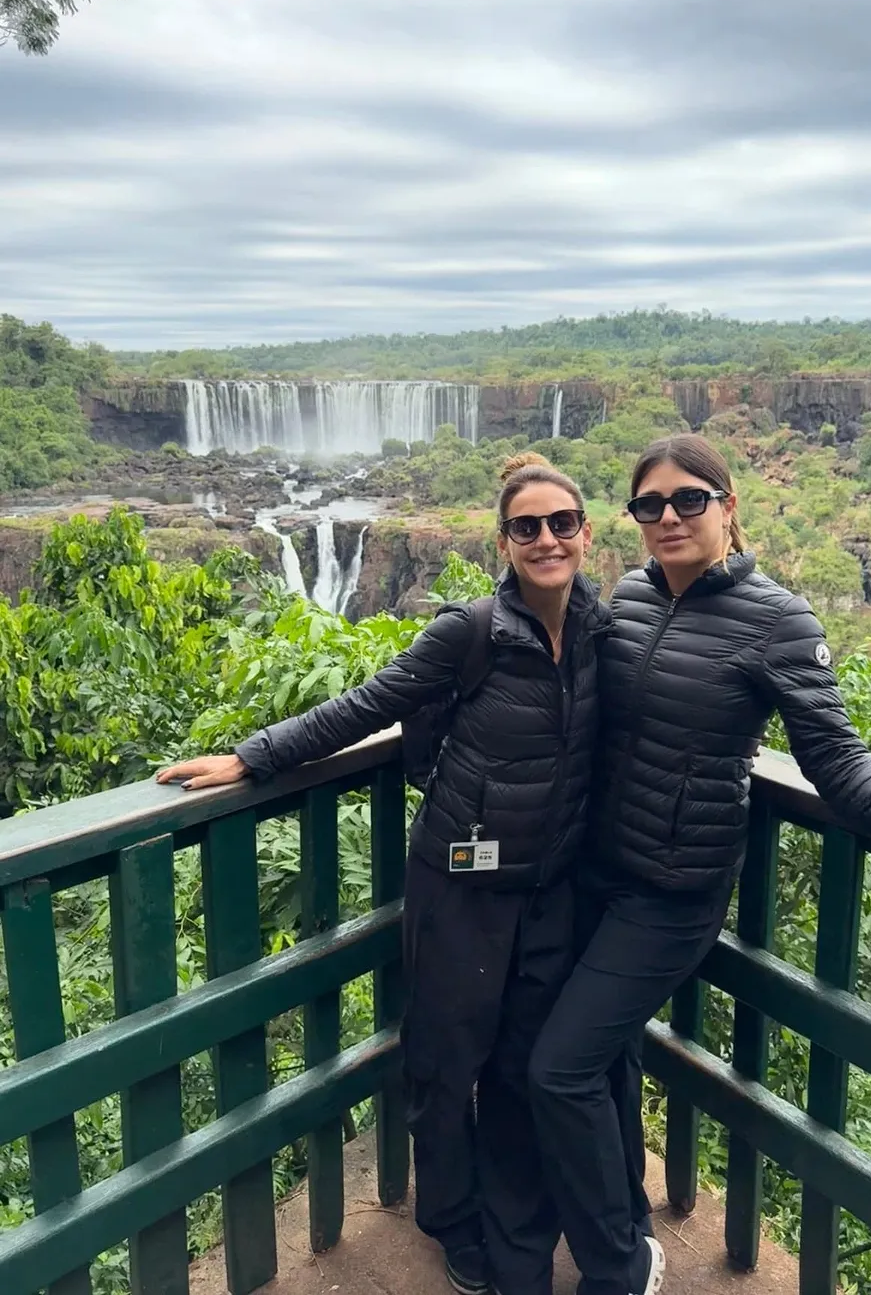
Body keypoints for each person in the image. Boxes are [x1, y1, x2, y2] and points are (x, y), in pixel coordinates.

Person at [527, 433, 871, 1295]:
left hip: (673, 891)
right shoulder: (626, 598)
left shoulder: (778, 621)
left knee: (557, 1069)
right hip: (594, 873)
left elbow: (840, 763)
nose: (669, 518)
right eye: (649, 506)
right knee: (604, 1061)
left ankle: (617, 1267)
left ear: (728, 504)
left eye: (689, 501)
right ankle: (624, 1222)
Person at [157, 453, 610, 1295]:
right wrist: (253, 755)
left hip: (549, 895)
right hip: (461, 888)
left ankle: (515, 1239)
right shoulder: (467, 631)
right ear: (504, 542)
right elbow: (366, 703)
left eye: (560, 524)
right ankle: (451, 1221)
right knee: (446, 1064)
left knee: (520, 1069)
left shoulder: (604, 630)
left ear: (586, 533)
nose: (546, 539)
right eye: (526, 527)